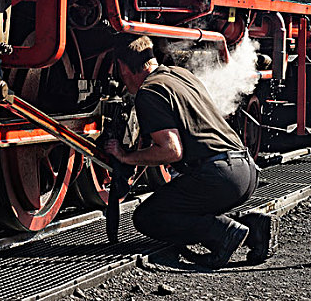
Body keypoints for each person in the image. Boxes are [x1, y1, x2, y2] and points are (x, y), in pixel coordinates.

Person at [105, 35, 273, 269]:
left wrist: (126, 157)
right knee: (181, 207)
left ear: (123, 67)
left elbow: (171, 151)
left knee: (148, 217)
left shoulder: (149, 91)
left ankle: (224, 234)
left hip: (219, 176)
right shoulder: (181, 74)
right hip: (245, 170)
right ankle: (252, 226)